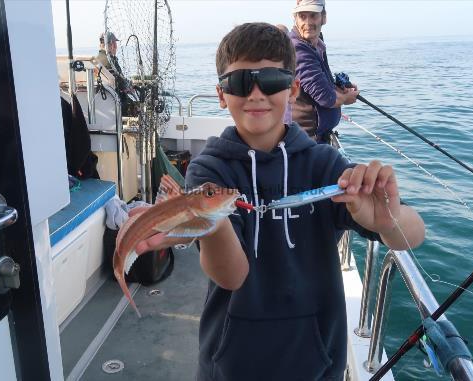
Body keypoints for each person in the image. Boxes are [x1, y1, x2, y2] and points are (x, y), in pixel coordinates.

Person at [132, 23, 425, 380]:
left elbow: (411, 236)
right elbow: (231, 275)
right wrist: (213, 219)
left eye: (271, 80)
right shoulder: (210, 169)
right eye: (240, 82)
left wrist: (386, 218)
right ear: (222, 94)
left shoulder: (325, 164)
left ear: (293, 88)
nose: (256, 94)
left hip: (317, 365)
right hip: (230, 365)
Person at [290, 0, 360, 143]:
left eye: (313, 15)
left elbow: (315, 83)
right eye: (302, 16)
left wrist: (337, 87)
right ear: (295, 19)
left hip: (319, 136)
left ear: (324, 18)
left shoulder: (315, 42)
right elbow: (326, 98)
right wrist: (347, 98)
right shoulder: (299, 49)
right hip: (306, 139)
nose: (308, 22)